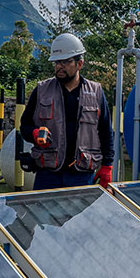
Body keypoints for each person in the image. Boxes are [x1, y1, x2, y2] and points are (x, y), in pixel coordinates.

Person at [20, 33, 113, 190]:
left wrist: (107, 166)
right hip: (47, 174)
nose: (59, 66)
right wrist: (34, 133)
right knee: (42, 214)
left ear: (79, 64)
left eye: (65, 61)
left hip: (82, 175)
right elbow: (24, 126)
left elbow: (105, 131)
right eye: (57, 62)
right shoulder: (42, 90)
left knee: (80, 215)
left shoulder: (96, 92)